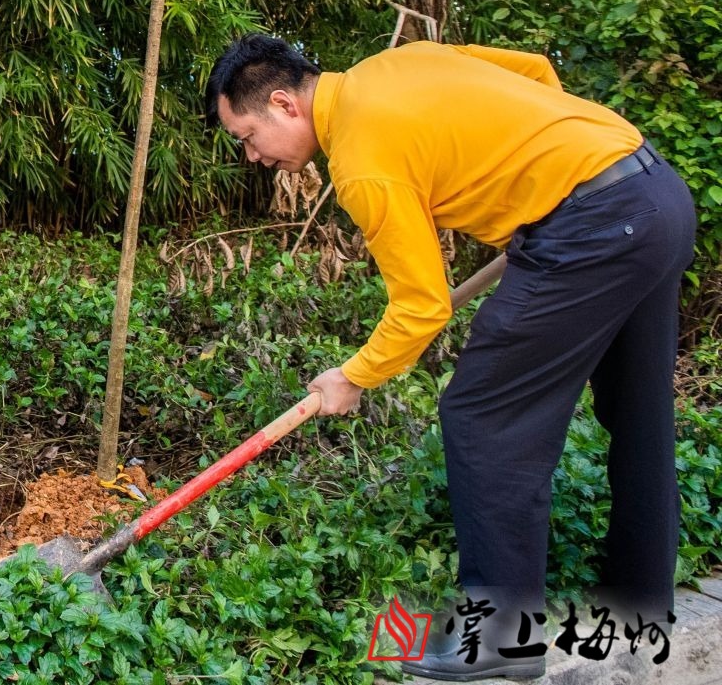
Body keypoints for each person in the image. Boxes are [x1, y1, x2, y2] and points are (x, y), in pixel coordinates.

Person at [204, 33, 695, 682]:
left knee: (482, 416)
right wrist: (544, 177)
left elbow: (422, 306)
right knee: (638, 415)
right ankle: (640, 605)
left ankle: (500, 638)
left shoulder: (361, 160)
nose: (253, 155)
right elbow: (535, 71)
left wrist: (353, 376)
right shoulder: (400, 61)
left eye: (246, 137)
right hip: (653, 190)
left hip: (594, 228)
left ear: (283, 104)